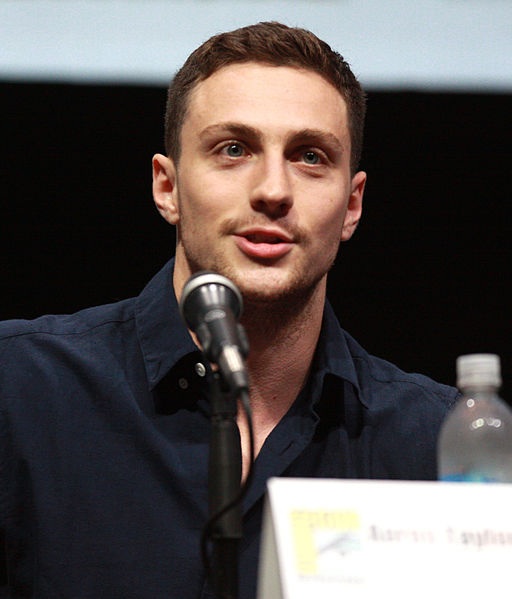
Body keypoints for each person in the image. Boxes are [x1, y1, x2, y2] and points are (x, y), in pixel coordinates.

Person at [0, 21, 458, 599]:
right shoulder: (19, 392)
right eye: (234, 149)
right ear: (167, 187)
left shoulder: (437, 440)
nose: (273, 190)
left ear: (351, 205)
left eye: (310, 156)